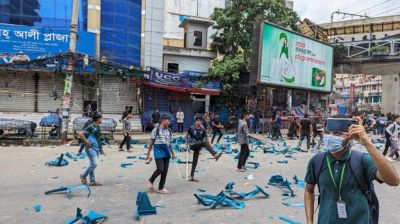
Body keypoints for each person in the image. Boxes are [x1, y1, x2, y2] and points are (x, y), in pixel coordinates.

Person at [304, 117, 400, 224]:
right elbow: (309, 190)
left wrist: (368, 144)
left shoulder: (362, 160)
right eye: (328, 132)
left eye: (338, 133)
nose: (331, 137)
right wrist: (309, 221)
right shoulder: (317, 161)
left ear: (350, 136)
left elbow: (394, 180)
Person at [146, 115, 176, 194]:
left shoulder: (169, 130)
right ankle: (150, 180)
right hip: (158, 151)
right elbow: (151, 143)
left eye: (169, 121)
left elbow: (170, 143)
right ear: (163, 120)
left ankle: (161, 187)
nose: (169, 122)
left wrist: (173, 152)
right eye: (168, 121)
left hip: (167, 151)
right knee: (160, 169)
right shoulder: (156, 129)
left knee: (165, 171)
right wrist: (148, 154)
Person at [186, 116, 222, 181]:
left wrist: (210, 145)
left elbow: (206, 136)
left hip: (198, 144)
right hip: (192, 144)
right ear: (195, 121)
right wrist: (186, 145)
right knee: (204, 142)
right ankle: (215, 155)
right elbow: (187, 135)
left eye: (200, 121)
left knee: (195, 161)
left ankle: (191, 176)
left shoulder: (202, 128)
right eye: (198, 120)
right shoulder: (191, 127)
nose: (199, 122)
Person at [79, 113, 105, 186]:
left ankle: (92, 181)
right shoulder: (91, 126)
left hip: (96, 148)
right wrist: (87, 142)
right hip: (90, 148)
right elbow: (81, 134)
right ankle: (83, 175)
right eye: (101, 118)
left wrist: (101, 149)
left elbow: (99, 139)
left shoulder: (98, 127)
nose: (101, 120)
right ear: (98, 119)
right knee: (94, 163)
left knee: (92, 164)